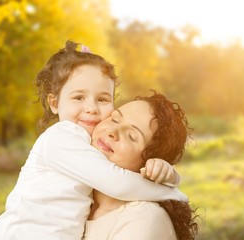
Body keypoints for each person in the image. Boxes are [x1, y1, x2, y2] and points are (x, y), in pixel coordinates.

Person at [0, 41, 187, 240]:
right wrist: (171, 191)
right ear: (54, 103)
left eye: (102, 99)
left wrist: (162, 171)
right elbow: (118, 183)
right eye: (79, 98)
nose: (91, 108)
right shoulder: (60, 138)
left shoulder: (141, 220)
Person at [82, 93, 198, 240]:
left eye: (131, 136)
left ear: (150, 162)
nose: (112, 132)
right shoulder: (76, 195)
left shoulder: (143, 218)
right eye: (115, 119)